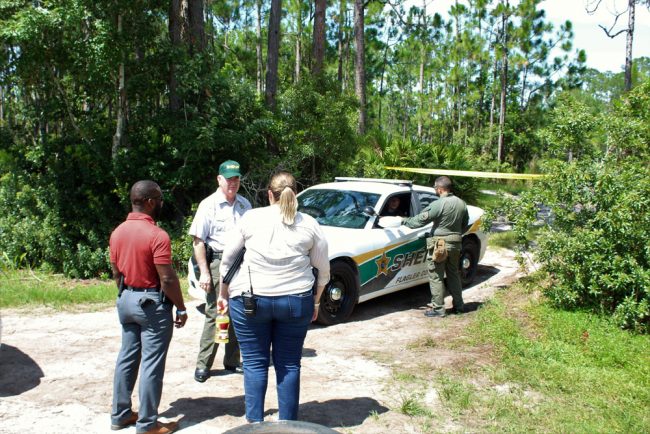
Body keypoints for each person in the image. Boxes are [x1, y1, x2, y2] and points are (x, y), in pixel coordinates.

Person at [218, 171, 330, 423]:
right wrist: (315, 301)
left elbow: (227, 261)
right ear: (295, 194)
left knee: (254, 364)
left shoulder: (251, 218)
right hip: (295, 301)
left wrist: (223, 294)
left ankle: (255, 423)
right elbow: (323, 270)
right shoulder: (309, 223)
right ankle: (288, 424)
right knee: (289, 364)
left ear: (270, 194)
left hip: (250, 301)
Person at [109, 180, 188, 434]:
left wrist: (127, 295)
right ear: (151, 202)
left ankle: (120, 415)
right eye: (160, 199)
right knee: (152, 364)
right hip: (151, 305)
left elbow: (116, 272)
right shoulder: (157, 235)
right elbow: (166, 278)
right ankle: (147, 424)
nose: (162, 203)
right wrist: (181, 307)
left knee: (127, 358)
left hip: (126, 299)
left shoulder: (117, 232)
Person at [189, 159, 252, 383]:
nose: (233, 183)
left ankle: (232, 361)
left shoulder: (245, 205)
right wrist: (205, 273)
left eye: (236, 178)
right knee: (216, 313)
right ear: (219, 179)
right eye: (229, 178)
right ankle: (203, 364)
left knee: (237, 312)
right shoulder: (208, 205)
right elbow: (198, 242)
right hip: (217, 262)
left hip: (241, 263)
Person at [400, 176, 469, 317]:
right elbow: (465, 223)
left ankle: (438, 309)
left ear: (440, 189)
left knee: (436, 276)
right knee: (453, 274)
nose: (435, 191)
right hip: (456, 244)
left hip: (439, 245)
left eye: (435, 189)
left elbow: (418, 222)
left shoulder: (439, 204)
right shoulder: (462, 203)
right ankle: (459, 306)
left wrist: (402, 220)